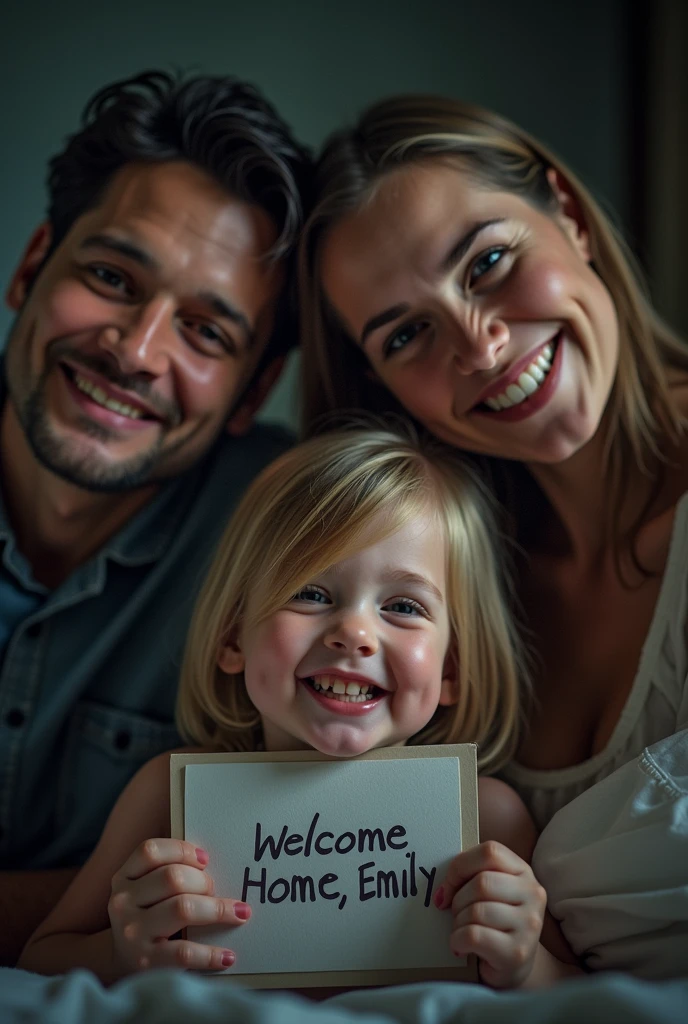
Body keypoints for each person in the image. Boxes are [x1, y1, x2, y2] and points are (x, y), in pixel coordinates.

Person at [298, 96, 688, 972]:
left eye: (489, 262)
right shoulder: (421, 602)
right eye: (407, 333)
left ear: (573, 217)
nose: (478, 346)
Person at [19, 424, 579, 988]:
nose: (355, 632)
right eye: (310, 593)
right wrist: (122, 952)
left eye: (403, 606)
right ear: (233, 636)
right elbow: (38, 959)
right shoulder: (166, 795)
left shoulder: (486, 817)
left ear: (451, 667)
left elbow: (582, 993)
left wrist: (527, 961)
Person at [0, 68, 312, 963]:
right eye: (110, 276)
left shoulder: (292, 536)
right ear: (32, 266)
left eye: (206, 333)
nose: (135, 352)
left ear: (253, 390)